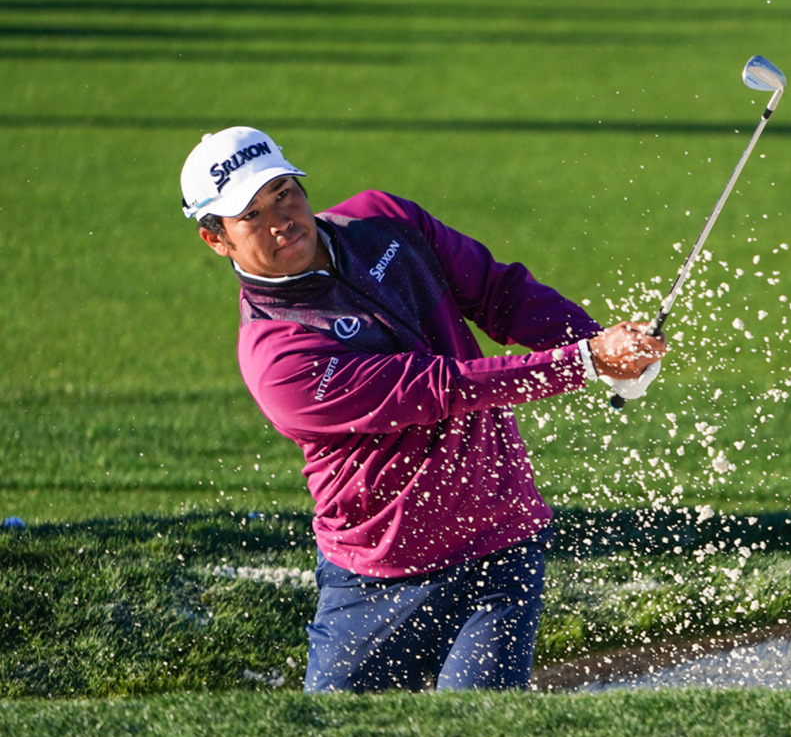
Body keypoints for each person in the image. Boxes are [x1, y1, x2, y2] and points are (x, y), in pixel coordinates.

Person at [179, 126, 665, 693]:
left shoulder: (383, 220)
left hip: (498, 539)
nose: (281, 219)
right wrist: (586, 362)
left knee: (477, 731)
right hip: (376, 577)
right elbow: (440, 388)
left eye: (284, 191)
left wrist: (600, 343)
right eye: (251, 215)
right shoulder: (276, 354)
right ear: (217, 240)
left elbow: (498, 294)